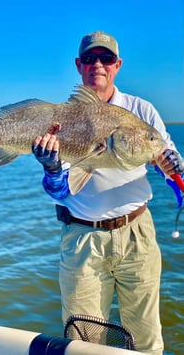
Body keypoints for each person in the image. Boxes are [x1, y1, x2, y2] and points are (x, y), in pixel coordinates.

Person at [32, 31, 184, 354]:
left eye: (105, 59)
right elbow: (59, 191)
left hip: (137, 236)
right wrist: (51, 167)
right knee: (83, 344)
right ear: (78, 65)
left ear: (117, 65)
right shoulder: (63, 119)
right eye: (89, 59)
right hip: (82, 239)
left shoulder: (141, 112)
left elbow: (170, 165)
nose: (97, 65)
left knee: (145, 340)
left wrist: (175, 168)